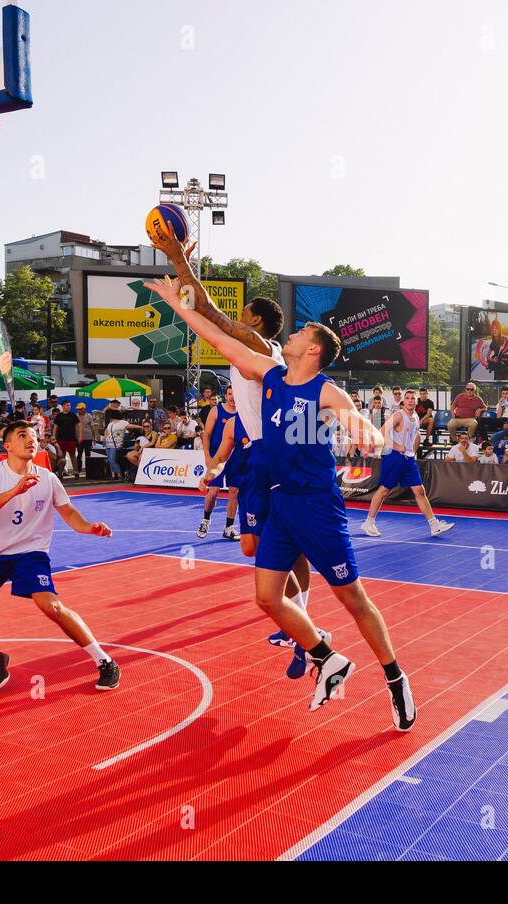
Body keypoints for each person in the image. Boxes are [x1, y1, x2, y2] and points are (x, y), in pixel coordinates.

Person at [146, 272, 417, 730]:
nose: (291, 333)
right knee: (267, 597)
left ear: (313, 350)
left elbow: (355, 421)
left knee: (353, 598)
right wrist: (176, 302)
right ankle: (327, 658)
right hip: (280, 502)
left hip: (318, 507)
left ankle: (395, 678)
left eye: (301, 333)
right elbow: (213, 334)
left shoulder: (325, 391)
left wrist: (368, 436)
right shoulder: (268, 373)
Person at [143, 229, 333, 683]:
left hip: (272, 454)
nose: (237, 315)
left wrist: (175, 257)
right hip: (255, 453)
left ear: (257, 323)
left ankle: (303, 626)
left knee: (276, 545)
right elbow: (201, 308)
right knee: (255, 545)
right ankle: (303, 620)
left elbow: (205, 309)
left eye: (244, 313)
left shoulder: (260, 348)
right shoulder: (255, 352)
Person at [0, 420, 118, 692]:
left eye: (34, 435)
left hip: (29, 553)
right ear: (7, 445)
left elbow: (68, 512)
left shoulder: (48, 478)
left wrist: (89, 527)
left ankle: (104, 660)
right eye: (23, 435)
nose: (31, 439)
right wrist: (15, 491)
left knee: (51, 606)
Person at [362, 391, 454, 538]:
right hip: (394, 457)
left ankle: (434, 525)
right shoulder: (398, 415)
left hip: (409, 459)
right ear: (403, 401)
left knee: (420, 490)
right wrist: (397, 446)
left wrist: (412, 451)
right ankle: (369, 522)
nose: (410, 401)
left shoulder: (416, 417)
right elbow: (381, 432)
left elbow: (414, 436)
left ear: (416, 402)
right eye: (408, 398)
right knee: (384, 490)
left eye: (413, 399)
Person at [197, 387, 240, 540]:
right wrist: (207, 456)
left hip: (236, 458)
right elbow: (207, 435)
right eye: (229, 394)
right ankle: (206, 520)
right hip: (218, 456)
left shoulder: (244, 412)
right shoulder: (216, 410)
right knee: (213, 491)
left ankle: (229, 527)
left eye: (235, 394)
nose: (232, 397)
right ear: (226, 395)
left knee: (234, 492)